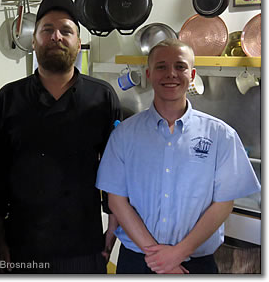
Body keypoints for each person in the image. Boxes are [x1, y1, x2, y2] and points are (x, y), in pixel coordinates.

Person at [95, 38, 261, 274]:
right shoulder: (124, 135)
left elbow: (223, 204)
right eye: (161, 66)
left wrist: (179, 253)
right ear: (149, 74)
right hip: (137, 262)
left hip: (196, 263)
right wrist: (159, 258)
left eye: (180, 66)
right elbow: (117, 201)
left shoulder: (221, 135)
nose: (171, 73)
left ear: (192, 74)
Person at [0, 0, 121, 273]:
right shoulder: (8, 98)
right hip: (22, 243)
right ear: (34, 40)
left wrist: (113, 226)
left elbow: (115, 171)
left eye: (66, 30)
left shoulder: (102, 97)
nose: (56, 37)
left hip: (84, 243)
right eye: (47, 30)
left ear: (77, 42)